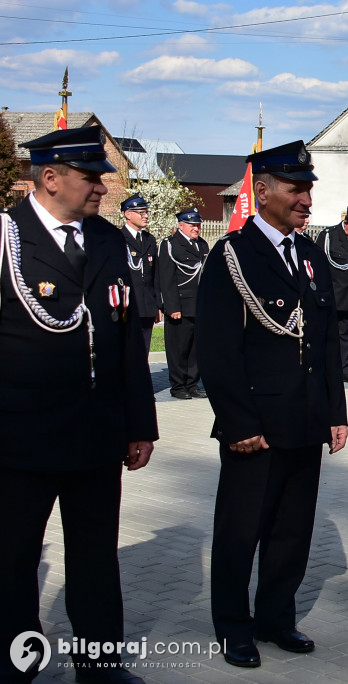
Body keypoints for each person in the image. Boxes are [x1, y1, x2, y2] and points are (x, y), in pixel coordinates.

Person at [0, 126, 157, 684]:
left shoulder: (108, 240)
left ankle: (100, 665)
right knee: (14, 561)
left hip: (96, 433)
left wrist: (141, 424)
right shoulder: (7, 240)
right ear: (50, 178)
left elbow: (125, 345)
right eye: (92, 177)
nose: (101, 188)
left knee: (95, 558)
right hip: (21, 439)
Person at [196, 140, 348, 669]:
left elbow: (327, 338)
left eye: (308, 188)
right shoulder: (232, 255)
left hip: (305, 419)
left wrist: (335, 412)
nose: (306, 198)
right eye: (296, 187)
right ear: (262, 190)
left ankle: (276, 617)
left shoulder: (309, 254)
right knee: (241, 532)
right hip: (255, 424)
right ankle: (233, 626)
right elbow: (217, 349)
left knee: (291, 531)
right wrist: (238, 421)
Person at [158, 207, 208, 400]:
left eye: (198, 224)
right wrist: (172, 307)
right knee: (178, 348)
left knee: (196, 349)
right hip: (180, 305)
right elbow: (166, 278)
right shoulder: (171, 245)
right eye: (192, 225)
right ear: (181, 225)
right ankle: (178, 386)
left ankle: (192, 383)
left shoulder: (202, 245)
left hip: (198, 305)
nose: (196, 228)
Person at [315, 205, 348, 384]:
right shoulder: (329, 237)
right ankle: (325, 368)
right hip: (334, 295)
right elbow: (319, 265)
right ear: (346, 223)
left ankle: (344, 370)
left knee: (345, 334)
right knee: (328, 333)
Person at [120, 193, 161, 350]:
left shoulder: (149, 239)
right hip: (128, 303)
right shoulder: (119, 238)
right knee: (127, 348)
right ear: (128, 214)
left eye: (147, 212)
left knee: (144, 348)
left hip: (147, 305)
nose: (146, 216)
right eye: (141, 213)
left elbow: (154, 276)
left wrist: (157, 304)